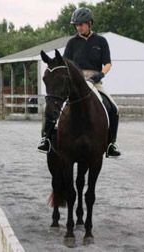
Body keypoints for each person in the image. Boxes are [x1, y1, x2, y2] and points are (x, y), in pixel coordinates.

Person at [37, 7, 121, 157]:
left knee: (114, 108)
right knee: (50, 107)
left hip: (95, 81)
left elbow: (108, 63)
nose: (78, 27)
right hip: (75, 81)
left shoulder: (101, 41)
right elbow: (65, 63)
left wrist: (101, 74)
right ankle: (46, 139)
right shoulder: (72, 43)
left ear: (89, 23)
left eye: (81, 24)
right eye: (76, 25)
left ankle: (111, 144)